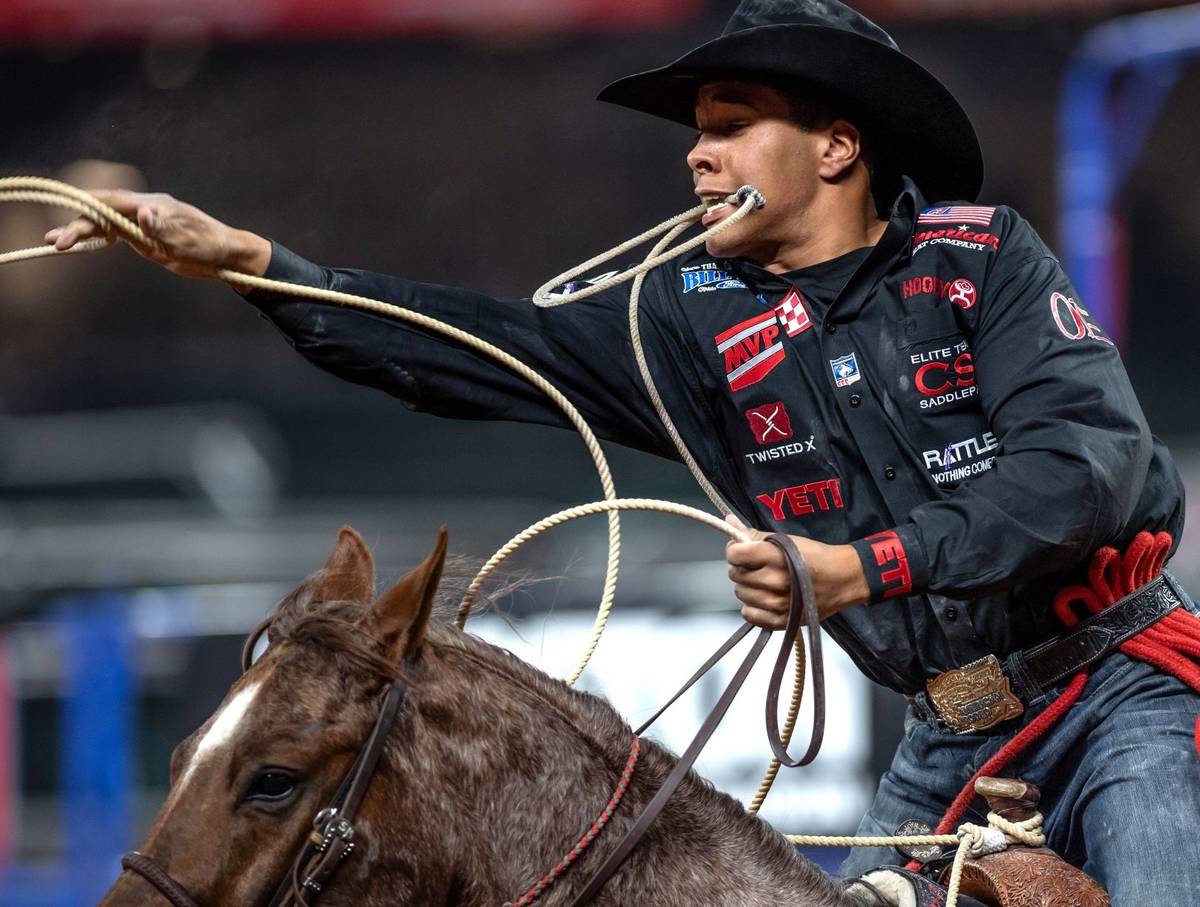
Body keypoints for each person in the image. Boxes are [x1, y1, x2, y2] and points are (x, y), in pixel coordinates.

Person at [44, 1, 1199, 902]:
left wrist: (858, 568)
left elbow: (1080, 474)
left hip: (1114, 692)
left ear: (840, 144)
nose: (697, 158)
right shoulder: (691, 319)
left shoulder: (982, 261)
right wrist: (258, 265)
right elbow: (483, 351)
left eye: (733, 124)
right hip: (948, 735)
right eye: (697, 135)